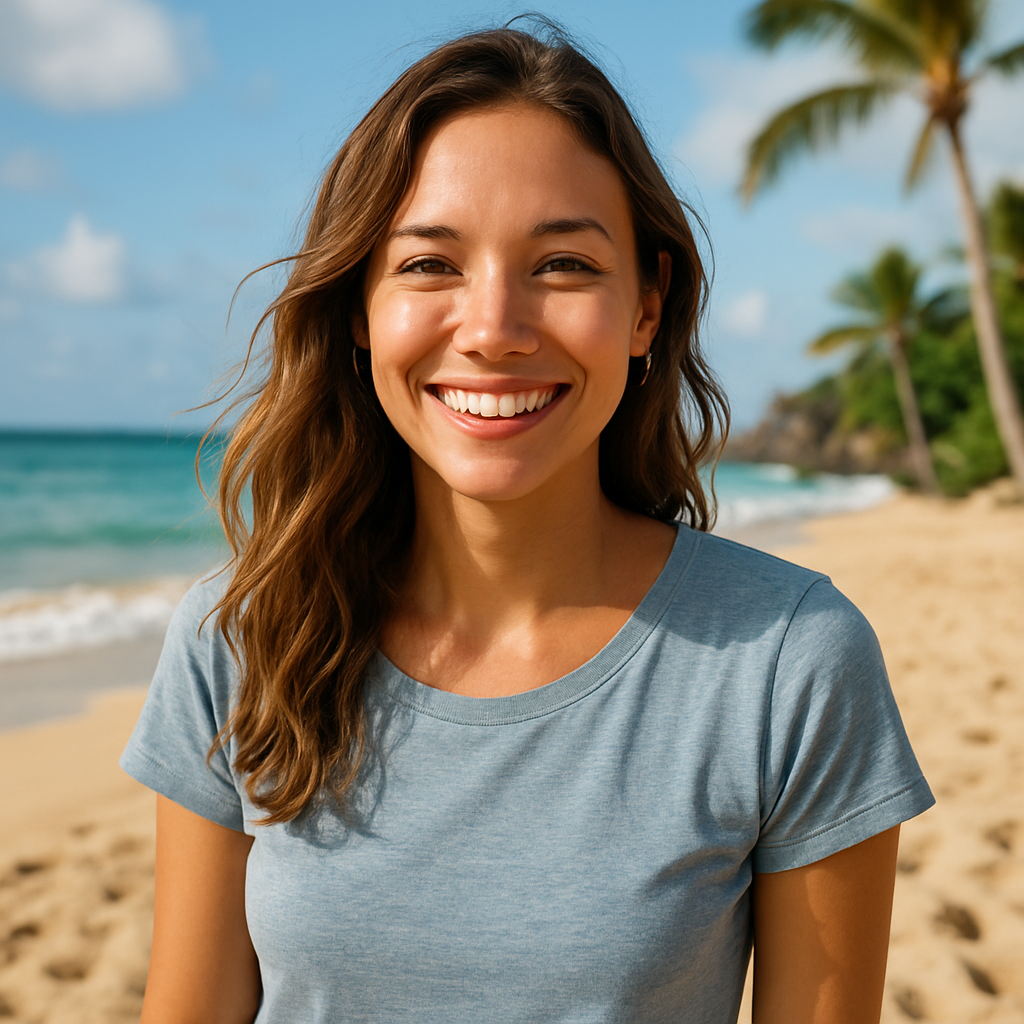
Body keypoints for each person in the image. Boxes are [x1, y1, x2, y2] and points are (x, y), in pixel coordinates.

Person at [121, 23, 934, 1024]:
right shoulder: (237, 641)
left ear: (645, 306)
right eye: (429, 265)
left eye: (561, 265)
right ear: (359, 309)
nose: (495, 327)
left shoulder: (787, 661)